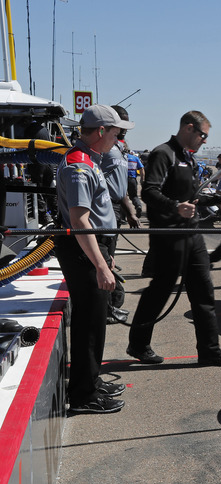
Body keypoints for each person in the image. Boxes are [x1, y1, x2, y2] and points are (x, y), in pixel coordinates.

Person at [127, 110, 221, 367]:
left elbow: (193, 196)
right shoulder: (163, 153)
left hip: (192, 235)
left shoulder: (187, 158)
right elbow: (149, 193)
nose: (205, 141)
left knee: (204, 292)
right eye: (203, 135)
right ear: (189, 128)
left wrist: (219, 200)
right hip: (169, 237)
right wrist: (175, 206)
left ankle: (210, 350)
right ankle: (139, 344)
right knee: (159, 291)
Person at [54, 105, 134, 413]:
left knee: (96, 322)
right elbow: (80, 221)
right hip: (84, 250)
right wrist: (100, 264)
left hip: (92, 248)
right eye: (115, 133)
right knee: (89, 324)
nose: (118, 139)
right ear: (101, 132)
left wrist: (105, 256)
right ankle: (84, 396)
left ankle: (91, 381)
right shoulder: (79, 166)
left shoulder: (89, 160)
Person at [100, 105, 140, 325]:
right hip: (106, 208)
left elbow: (121, 186)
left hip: (117, 209)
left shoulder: (120, 147)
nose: (124, 128)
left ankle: (109, 306)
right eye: (120, 123)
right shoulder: (104, 149)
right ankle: (106, 310)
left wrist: (130, 212)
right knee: (106, 260)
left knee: (110, 259)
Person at [126, 150, 145, 218]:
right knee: (134, 196)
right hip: (132, 179)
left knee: (122, 197)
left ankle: (122, 217)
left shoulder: (123, 157)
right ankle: (138, 206)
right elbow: (141, 168)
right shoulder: (135, 158)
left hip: (123, 179)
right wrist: (142, 179)